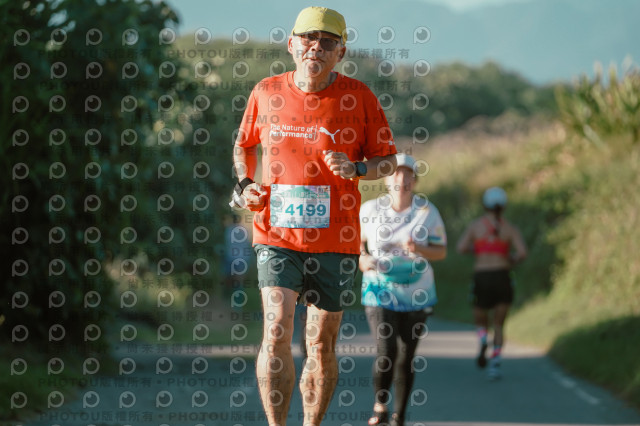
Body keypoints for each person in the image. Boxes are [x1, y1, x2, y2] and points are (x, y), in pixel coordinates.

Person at [230, 7, 398, 426]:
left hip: (335, 239)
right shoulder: (266, 91)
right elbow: (243, 145)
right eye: (307, 38)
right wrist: (246, 183)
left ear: (341, 52)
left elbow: (388, 161)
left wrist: (357, 168)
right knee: (276, 331)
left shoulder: (359, 97)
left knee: (320, 343)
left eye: (327, 42)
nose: (315, 48)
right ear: (291, 44)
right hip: (276, 235)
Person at [359, 154, 447, 426]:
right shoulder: (370, 210)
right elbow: (355, 243)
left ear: (415, 181)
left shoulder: (427, 212)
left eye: (408, 174)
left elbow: (441, 251)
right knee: (386, 350)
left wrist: (419, 248)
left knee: (407, 355)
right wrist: (362, 258)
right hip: (378, 289)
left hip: (417, 292)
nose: (402, 179)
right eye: (396, 173)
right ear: (386, 179)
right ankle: (380, 407)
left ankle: (400, 415)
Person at [456, 187, 527, 380]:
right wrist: (510, 259)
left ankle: (482, 339)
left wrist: (479, 249)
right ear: (504, 206)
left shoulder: (475, 226)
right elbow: (522, 253)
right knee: (499, 324)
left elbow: (461, 247)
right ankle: (495, 364)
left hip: (482, 276)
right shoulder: (510, 228)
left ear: (484, 205)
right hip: (503, 276)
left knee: (480, 319)